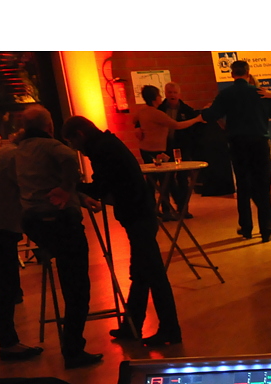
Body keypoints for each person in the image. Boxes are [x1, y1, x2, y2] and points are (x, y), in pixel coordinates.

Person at [62, 116, 182, 347]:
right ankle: (133, 325)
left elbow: (100, 187)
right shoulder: (107, 144)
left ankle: (169, 329)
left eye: (72, 141)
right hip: (141, 212)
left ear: (80, 135)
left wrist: (72, 185)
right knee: (142, 272)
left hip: (136, 215)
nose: (74, 148)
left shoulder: (101, 150)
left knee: (152, 274)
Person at [14, 105, 101, 368]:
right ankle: (73, 349)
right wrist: (66, 189)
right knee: (77, 287)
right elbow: (69, 159)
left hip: (34, 222)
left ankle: (71, 346)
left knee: (68, 277)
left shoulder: (19, 150)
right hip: (61, 222)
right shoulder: (51, 147)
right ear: (49, 125)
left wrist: (77, 195)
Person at [203, 59, 271, 242]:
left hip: (238, 144)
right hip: (260, 144)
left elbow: (211, 115)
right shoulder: (260, 93)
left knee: (243, 185)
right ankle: (266, 230)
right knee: (263, 185)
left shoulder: (226, 94)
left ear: (232, 74)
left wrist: (205, 110)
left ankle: (246, 228)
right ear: (248, 73)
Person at [0, 131, 42, 361]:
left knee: (4, 285)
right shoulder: (15, 157)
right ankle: (8, 343)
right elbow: (30, 187)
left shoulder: (4, 154)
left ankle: (9, 341)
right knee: (5, 285)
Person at [156, 82, 201, 220]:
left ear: (179, 94)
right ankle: (166, 210)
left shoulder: (187, 110)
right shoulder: (159, 109)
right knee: (165, 180)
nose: (172, 95)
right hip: (164, 149)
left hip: (182, 148)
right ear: (165, 93)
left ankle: (183, 209)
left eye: (175, 93)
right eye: (169, 92)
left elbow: (194, 131)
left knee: (183, 179)